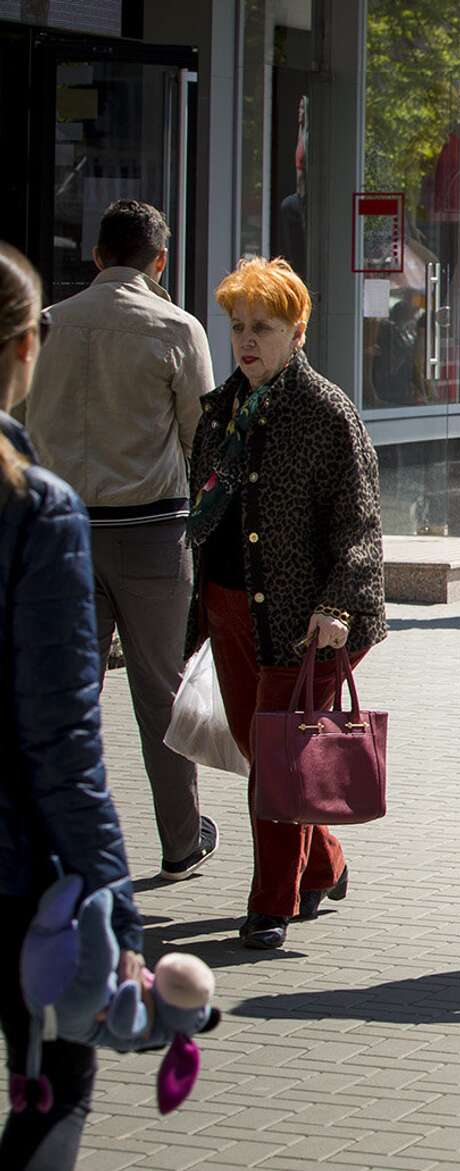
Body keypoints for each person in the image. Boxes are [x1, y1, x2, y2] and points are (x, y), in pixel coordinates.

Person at [186, 258, 385, 951]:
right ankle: (324, 861)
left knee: (276, 762)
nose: (246, 340)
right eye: (237, 326)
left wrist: (336, 605)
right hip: (230, 607)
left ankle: (271, 903)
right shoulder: (222, 411)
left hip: (308, 622)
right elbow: (208, 512)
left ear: (296, 331)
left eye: (262, 328)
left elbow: (361, 525)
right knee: (263, 748)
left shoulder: (326, 411)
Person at [1, 241, 145, 1171]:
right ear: (26, 346)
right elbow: (62, 735)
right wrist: (114, 899)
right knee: (54, 1088)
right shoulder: (35, 509)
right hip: (16, 868)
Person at [22, 198, 217, 881]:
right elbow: (202, 441)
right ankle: (180, 840)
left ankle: (53, 840)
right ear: (159, 261)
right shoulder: (177, 328)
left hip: (58, 531)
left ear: (98, 256)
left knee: (63, 692)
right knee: (161, 692)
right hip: (153, 533)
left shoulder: (46, 325)